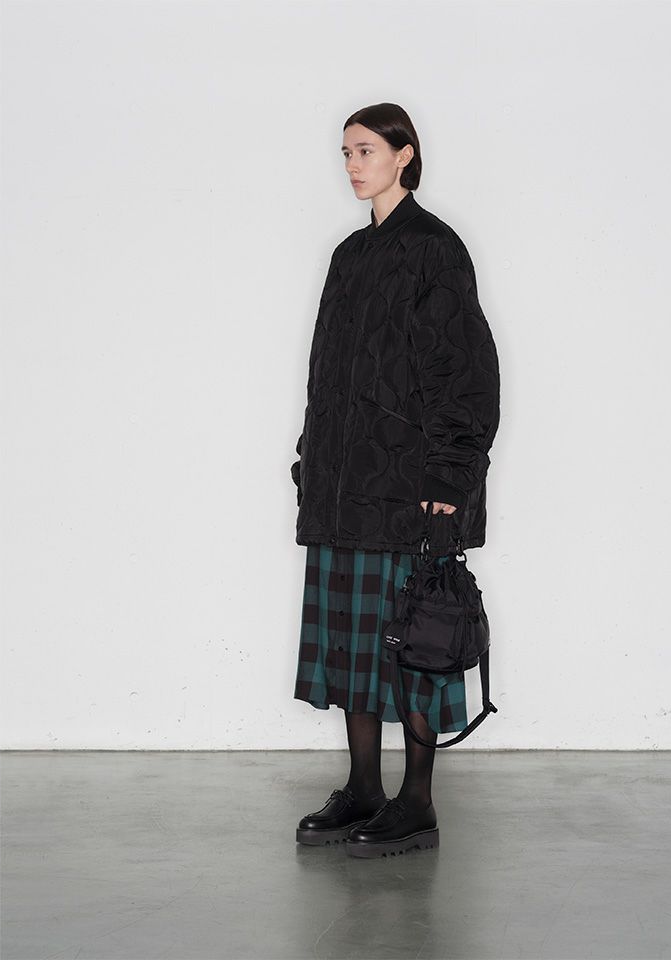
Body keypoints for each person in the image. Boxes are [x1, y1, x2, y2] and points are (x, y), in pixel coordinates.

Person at [290, 103, 500, 857]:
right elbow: (328, 371)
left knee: (412, 641)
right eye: (345, 152)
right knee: (354, 644)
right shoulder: (348, 255)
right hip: (342, 487)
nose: (352, 164)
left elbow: (464, 373)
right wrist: (310, 457)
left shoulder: (434, 249)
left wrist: (451, 475)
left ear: (404, 155)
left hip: (409, 487)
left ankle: (416, 802)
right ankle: (363, 788)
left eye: (366, 150)